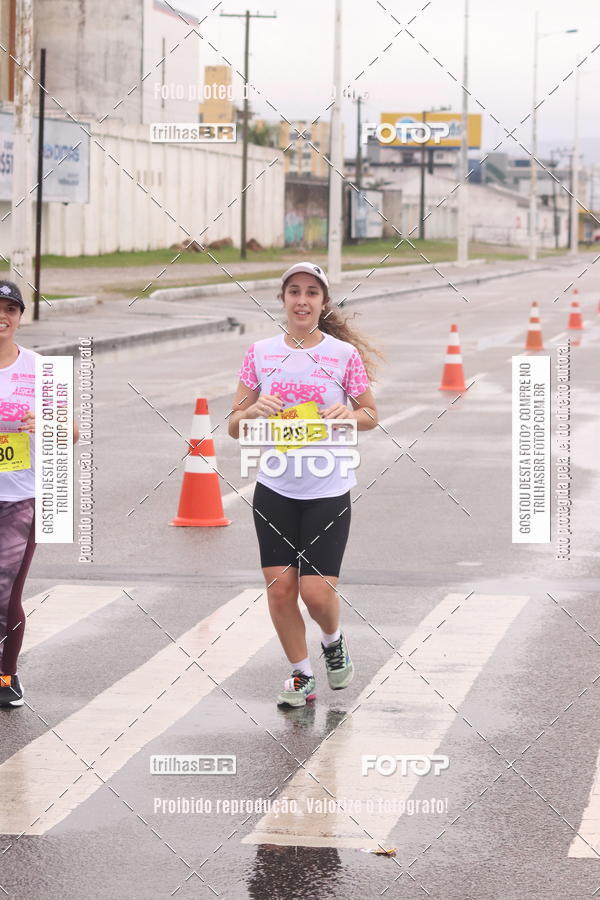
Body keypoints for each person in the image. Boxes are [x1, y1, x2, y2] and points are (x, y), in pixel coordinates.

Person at [229, 262, 381, 708]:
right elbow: (234, 425)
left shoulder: (342, 356)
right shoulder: (260, 353)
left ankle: (332, 641)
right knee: (280, 590)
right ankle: (301, 675)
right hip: (275, 488)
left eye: (311, 292)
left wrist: (347, 415)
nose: (302, 300)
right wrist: (251, 413)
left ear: (322, 302)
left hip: (328, 488)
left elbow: (371, 414)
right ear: (282, 300)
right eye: (294, 291)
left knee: (316, 593)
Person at [0, 281, 78, 709]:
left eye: (10, 309)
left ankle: (6, 674)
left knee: (6, 592)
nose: (2, 316)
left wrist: (47, 425)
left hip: (22, 498)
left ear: (20, 316)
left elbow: (74, 432)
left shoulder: (39, 369)